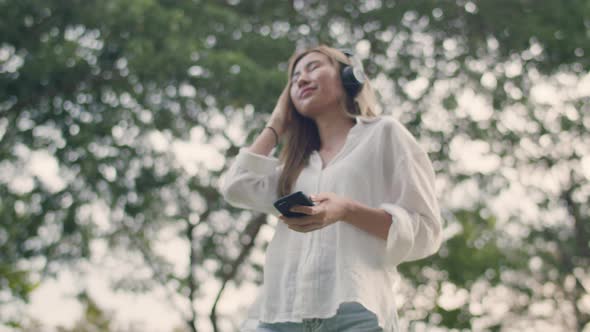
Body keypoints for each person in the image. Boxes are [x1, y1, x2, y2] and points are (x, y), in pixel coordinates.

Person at [220, 45, 442, 332]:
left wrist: (347, 210)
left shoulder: (385, 134)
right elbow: (236, 188)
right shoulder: (295, 163)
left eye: (313, 67)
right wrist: (276, 123)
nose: (300, 79)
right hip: (280, 316)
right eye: (294, 77)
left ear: (350, 77)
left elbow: (426, 232)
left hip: (355, 315)